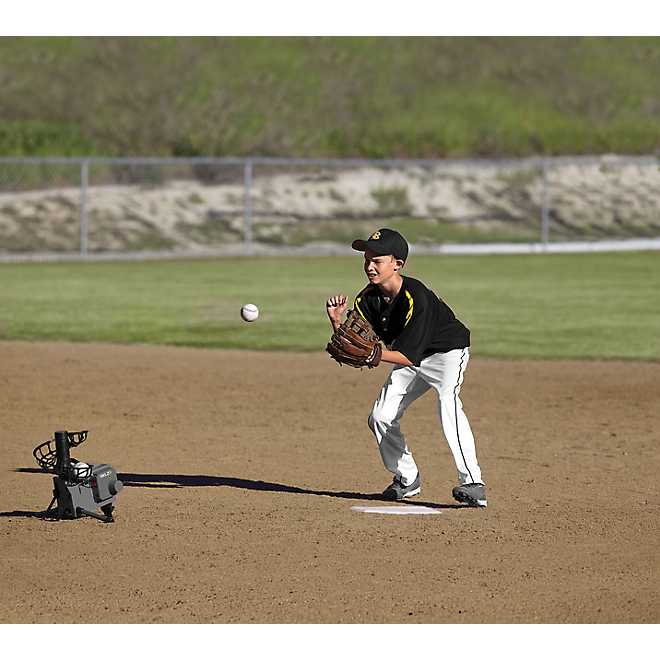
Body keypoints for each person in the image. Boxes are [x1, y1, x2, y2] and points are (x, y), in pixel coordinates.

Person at [325, 228, 487, 507]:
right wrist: (338, 322)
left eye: (377, 260)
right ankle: (407, 478)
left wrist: (375, 355)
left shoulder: (416, 297)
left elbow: (405, 356)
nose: (369, 266)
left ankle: (472, 482)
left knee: (447, 402)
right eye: (366, 259)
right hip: (408, 355)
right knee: (380, 416)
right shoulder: (367, 299)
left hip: (446, 353)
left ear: (397, 264)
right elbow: (357, 342)